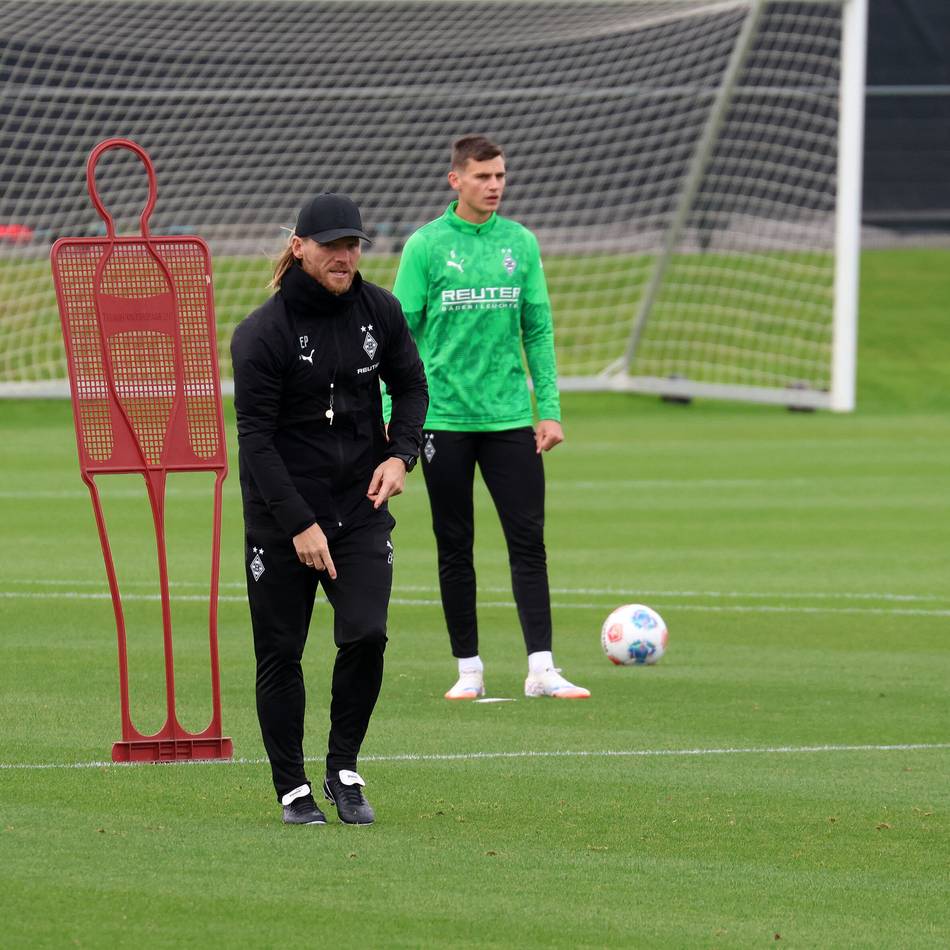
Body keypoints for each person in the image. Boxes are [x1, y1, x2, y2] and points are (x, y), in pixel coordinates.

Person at [231, 192, 427, 826]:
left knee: (367, 633)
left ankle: (343, 765)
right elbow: (255, 441)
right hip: (282, 519)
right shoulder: (261, 334)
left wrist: (401, 456)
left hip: (359, 511)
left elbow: (412, 385)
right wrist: (299, 525)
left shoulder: (381, 310)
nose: (345, 256)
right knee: (280, 654)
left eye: (354, 245)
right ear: (299, 247)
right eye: (332, 246)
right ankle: (292, 787)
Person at [391, 135, 589, 701]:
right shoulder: (426, 247)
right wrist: (392, 418)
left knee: (528, 541)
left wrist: (547, 410)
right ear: (456, 180)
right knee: (454, 544)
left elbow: (538, 330)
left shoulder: (520, 244)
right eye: (483, 176)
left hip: (507, 419)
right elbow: (399, 339)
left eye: (500, 175)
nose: (495, 184)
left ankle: (542, 668)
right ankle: (469, 669)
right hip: (444, 420)